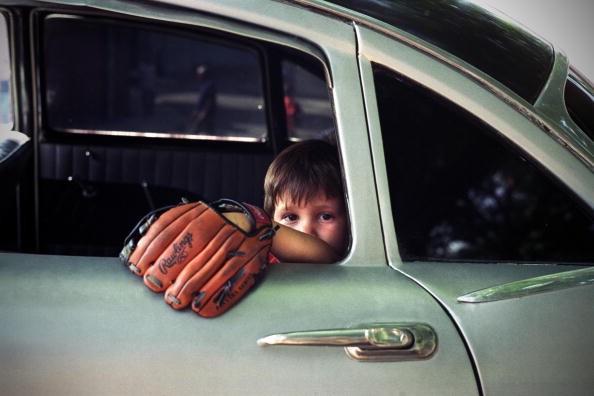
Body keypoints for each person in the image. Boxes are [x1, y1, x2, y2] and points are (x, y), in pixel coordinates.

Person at [224, 139, 348, 263]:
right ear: (272, 218)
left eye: (325, 216)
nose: (306, 232)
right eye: (291, 217)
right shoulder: (261, 263)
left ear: (350, 222)